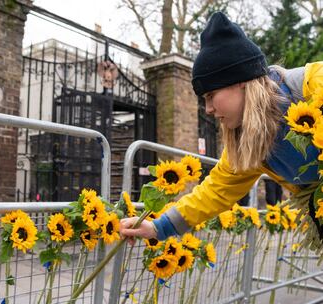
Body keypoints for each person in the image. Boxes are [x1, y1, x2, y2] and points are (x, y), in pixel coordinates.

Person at [120, 12, 323, 242]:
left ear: (241, 82)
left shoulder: (312, 84)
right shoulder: (250, 144)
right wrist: (158, 228)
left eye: (211, 95)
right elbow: (215, 192)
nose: (207, 109)